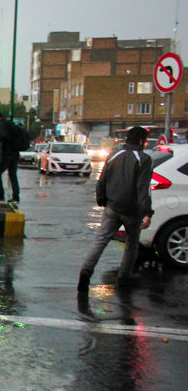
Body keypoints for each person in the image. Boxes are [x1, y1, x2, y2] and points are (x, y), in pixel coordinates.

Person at [78, 125, 153, 293]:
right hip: (132, 211)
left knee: (101, 240)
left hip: (111, 206)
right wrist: (147, 212)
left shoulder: (113, 155)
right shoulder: (144, 159)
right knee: (131, 244)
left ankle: (86, 271)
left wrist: (102, 199)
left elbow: (102, 180)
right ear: (141, 141)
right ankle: (124, 278)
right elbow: (143, 188)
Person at [0, 110, 20, 203]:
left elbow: (5, 136)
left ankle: (0, 195)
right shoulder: (9, 123)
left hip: (6, 153)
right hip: (15, 153)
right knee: (13, 175)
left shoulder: (2, 124)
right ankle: (15, 197)